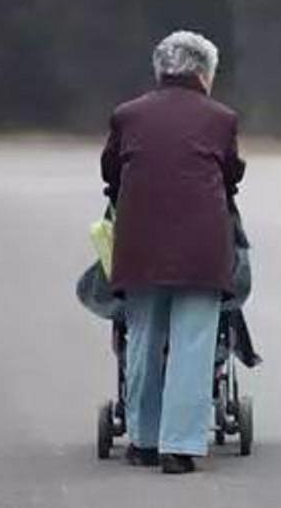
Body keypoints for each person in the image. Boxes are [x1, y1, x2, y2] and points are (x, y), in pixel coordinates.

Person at [101, 30, 244, 474]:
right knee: (193, 343)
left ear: (160, 70)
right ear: (204, 74)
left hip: (139, 247)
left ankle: (143, 439)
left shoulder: (127, 115)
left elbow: (110, 171)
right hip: (202, 249)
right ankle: (179, 446)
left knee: (143, 339)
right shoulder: (221, 119)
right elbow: (231, 173)